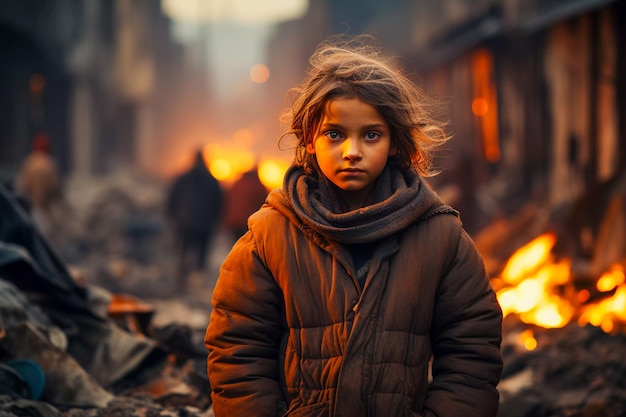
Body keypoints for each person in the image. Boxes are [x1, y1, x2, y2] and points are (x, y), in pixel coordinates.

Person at [205, 35, 503, 417]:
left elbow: (472, 354)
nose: (352, 151)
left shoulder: (441, 238)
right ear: (309, 140)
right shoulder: (270, 236)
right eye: (335, 134)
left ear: (395, 142)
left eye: (371, 135)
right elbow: (236, 350)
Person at [165, 149, 223, 291]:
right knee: (201, 252)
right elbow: (218, 202)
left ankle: (182, 278)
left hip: (184, 222)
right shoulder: (212, 180)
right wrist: (216, 219)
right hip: (205, 223)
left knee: (184, 249)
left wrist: (173, 216)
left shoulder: (182, 178)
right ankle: (197, 279)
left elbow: (172, 199)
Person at [15, 133, 64, 238]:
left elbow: (22, 186)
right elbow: (56, 188)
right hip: (44, 208)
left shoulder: (29, 162)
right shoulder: (49, 164)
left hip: (31, 208)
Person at [223, 166, 268, 244]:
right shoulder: (258, 186)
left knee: (235, 244)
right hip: (247, 222)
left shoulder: (237, 183)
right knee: (246, 246)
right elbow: (264, 205)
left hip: (234, 221)